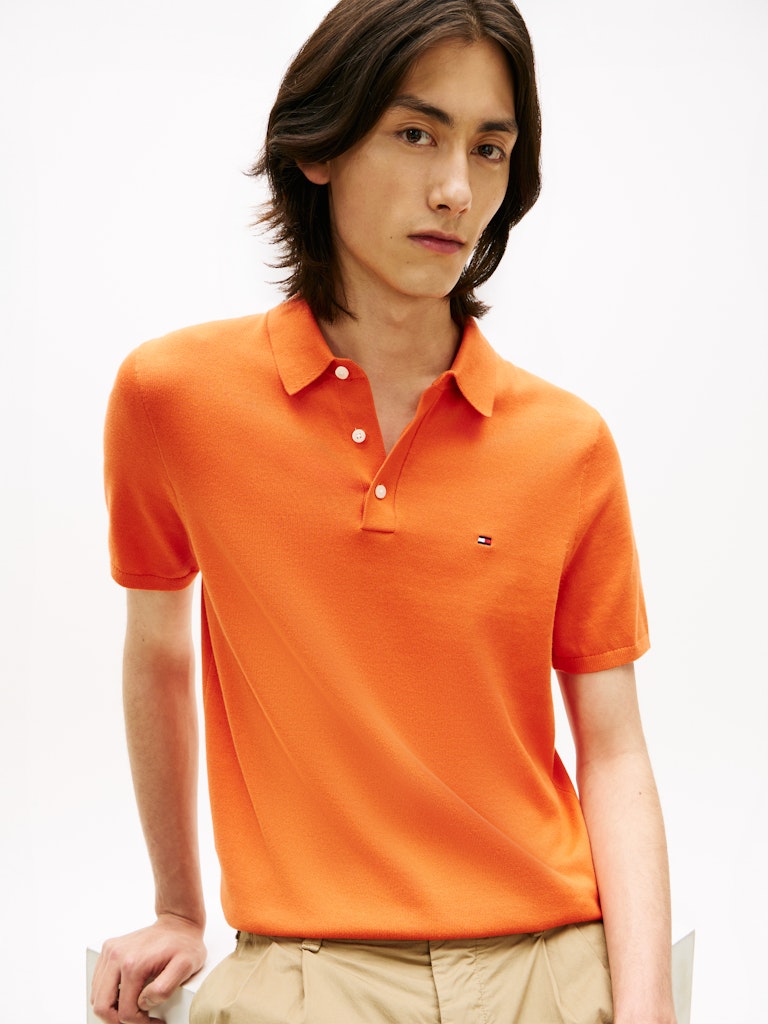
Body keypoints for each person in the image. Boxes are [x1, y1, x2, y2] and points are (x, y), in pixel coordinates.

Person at [90, 1, 677, 1022]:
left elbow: (615, 745)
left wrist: (647, 1003)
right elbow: (159, 649)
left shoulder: (569, 445)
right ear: (319, 149)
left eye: (489, 148)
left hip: (551, 963)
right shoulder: (172, 398)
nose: (457, 190)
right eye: (416, 134)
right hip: (306, 970)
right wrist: (178, 908)